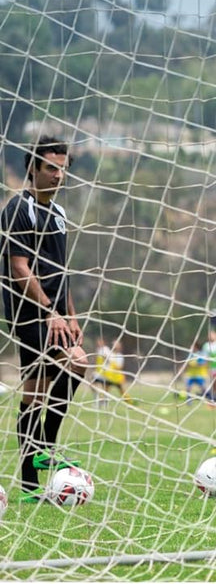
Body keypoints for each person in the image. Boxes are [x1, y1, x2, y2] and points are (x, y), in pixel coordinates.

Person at [1, 136, 89, 503]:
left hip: (54, 315)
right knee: (76, 364)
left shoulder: (59, 214)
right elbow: (18, 267)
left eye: (63, 169)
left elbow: (59, 272)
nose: (58, 175)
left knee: (36, 395)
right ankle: (42, 449)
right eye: (51, 168)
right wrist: (51, 312)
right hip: (28, 313)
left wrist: (70, 315)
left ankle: (30, 482)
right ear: (32, 168)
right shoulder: (17, 208)